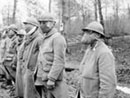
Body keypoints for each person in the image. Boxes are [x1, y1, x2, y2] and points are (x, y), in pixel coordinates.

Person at [79, 21, 117, 98]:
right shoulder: (90, 49)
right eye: (85, 32)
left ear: (97, 35)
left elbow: (108, 84)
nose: (85, 35)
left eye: (88, 32)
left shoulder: (104, 53)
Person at [35, 13, 68, 98]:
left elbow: (59, 61)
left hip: (55, 80)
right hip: (45, 78)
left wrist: (52, 79)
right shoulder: (45, 38)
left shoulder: (57, 38)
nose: (40, 26)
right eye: (40, 23)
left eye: (42, 23)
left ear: (49, 24)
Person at [15, 17, 42, 98]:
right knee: (25, 91)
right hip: (25, 69)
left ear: (34, 25)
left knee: (32, 93)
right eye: (25, 24)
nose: (25, 26)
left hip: (32, 71)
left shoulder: (39, 38)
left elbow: (42, 56)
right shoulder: (27, 38)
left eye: (27, 24)